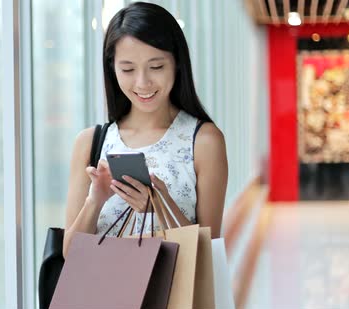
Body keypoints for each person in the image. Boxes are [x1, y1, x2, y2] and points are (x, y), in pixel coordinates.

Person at [63, 2, 228, 257]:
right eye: (128, 69)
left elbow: (208, 252)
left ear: (177, 63)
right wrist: (95, 201)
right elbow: (70, 254)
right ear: (112, 68)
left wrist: (160, 208)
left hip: (173, 296)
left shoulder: (204, 141)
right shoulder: (90, 142)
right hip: (103, 296)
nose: (142, 82)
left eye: (156, 67)